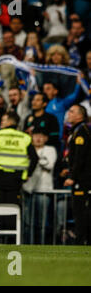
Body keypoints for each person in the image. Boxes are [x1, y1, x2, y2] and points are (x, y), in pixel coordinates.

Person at [0, 111, 38, 240]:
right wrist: (27, 174)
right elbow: (34, 158)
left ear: (10, 121)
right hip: (16, 180)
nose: (2, 122)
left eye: (4, 119)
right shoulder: (25, 138)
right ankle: (12, 241)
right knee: (13, 211)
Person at [63, 105, 91, 245]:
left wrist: (72, 177)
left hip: (82, 180)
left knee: (81, 213)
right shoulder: (77, 130)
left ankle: (81, 242)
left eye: (72, 111)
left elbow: (80, 157)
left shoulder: (82, 132)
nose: (69, 113)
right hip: (81, 178)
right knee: (81, 212)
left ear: (80, 115)